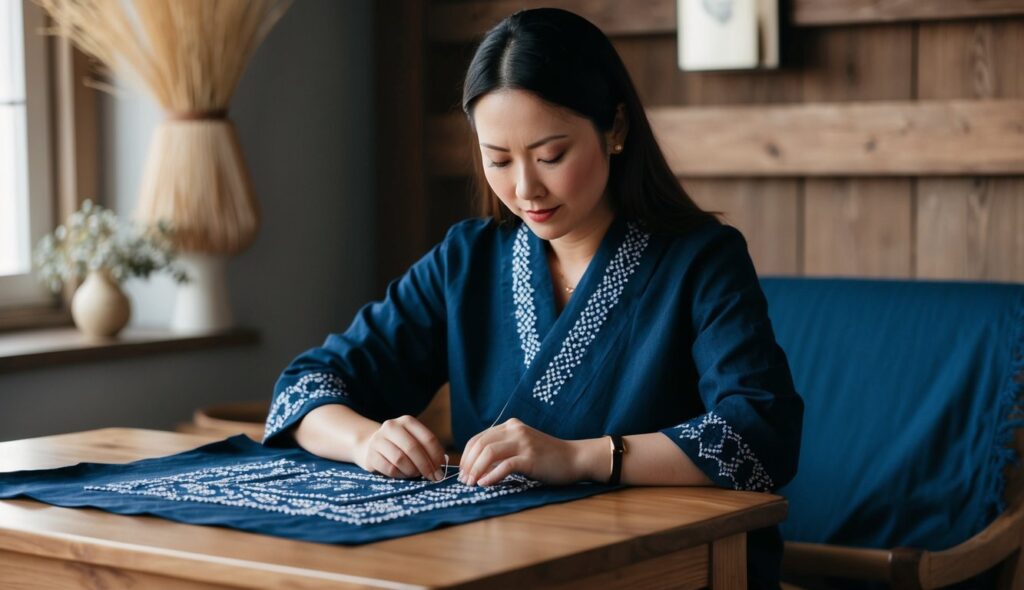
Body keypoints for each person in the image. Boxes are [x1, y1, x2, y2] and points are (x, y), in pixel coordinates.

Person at [263, 8, 803, 588]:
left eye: (550, 156)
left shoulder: (701, 259)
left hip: (668, 565)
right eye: (498, 160)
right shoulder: (467, 260)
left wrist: (580, 458)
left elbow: (759, 434)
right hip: (503, 561)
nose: (525, 189)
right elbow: (307, 386)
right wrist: (366, 440)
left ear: (615, 129)